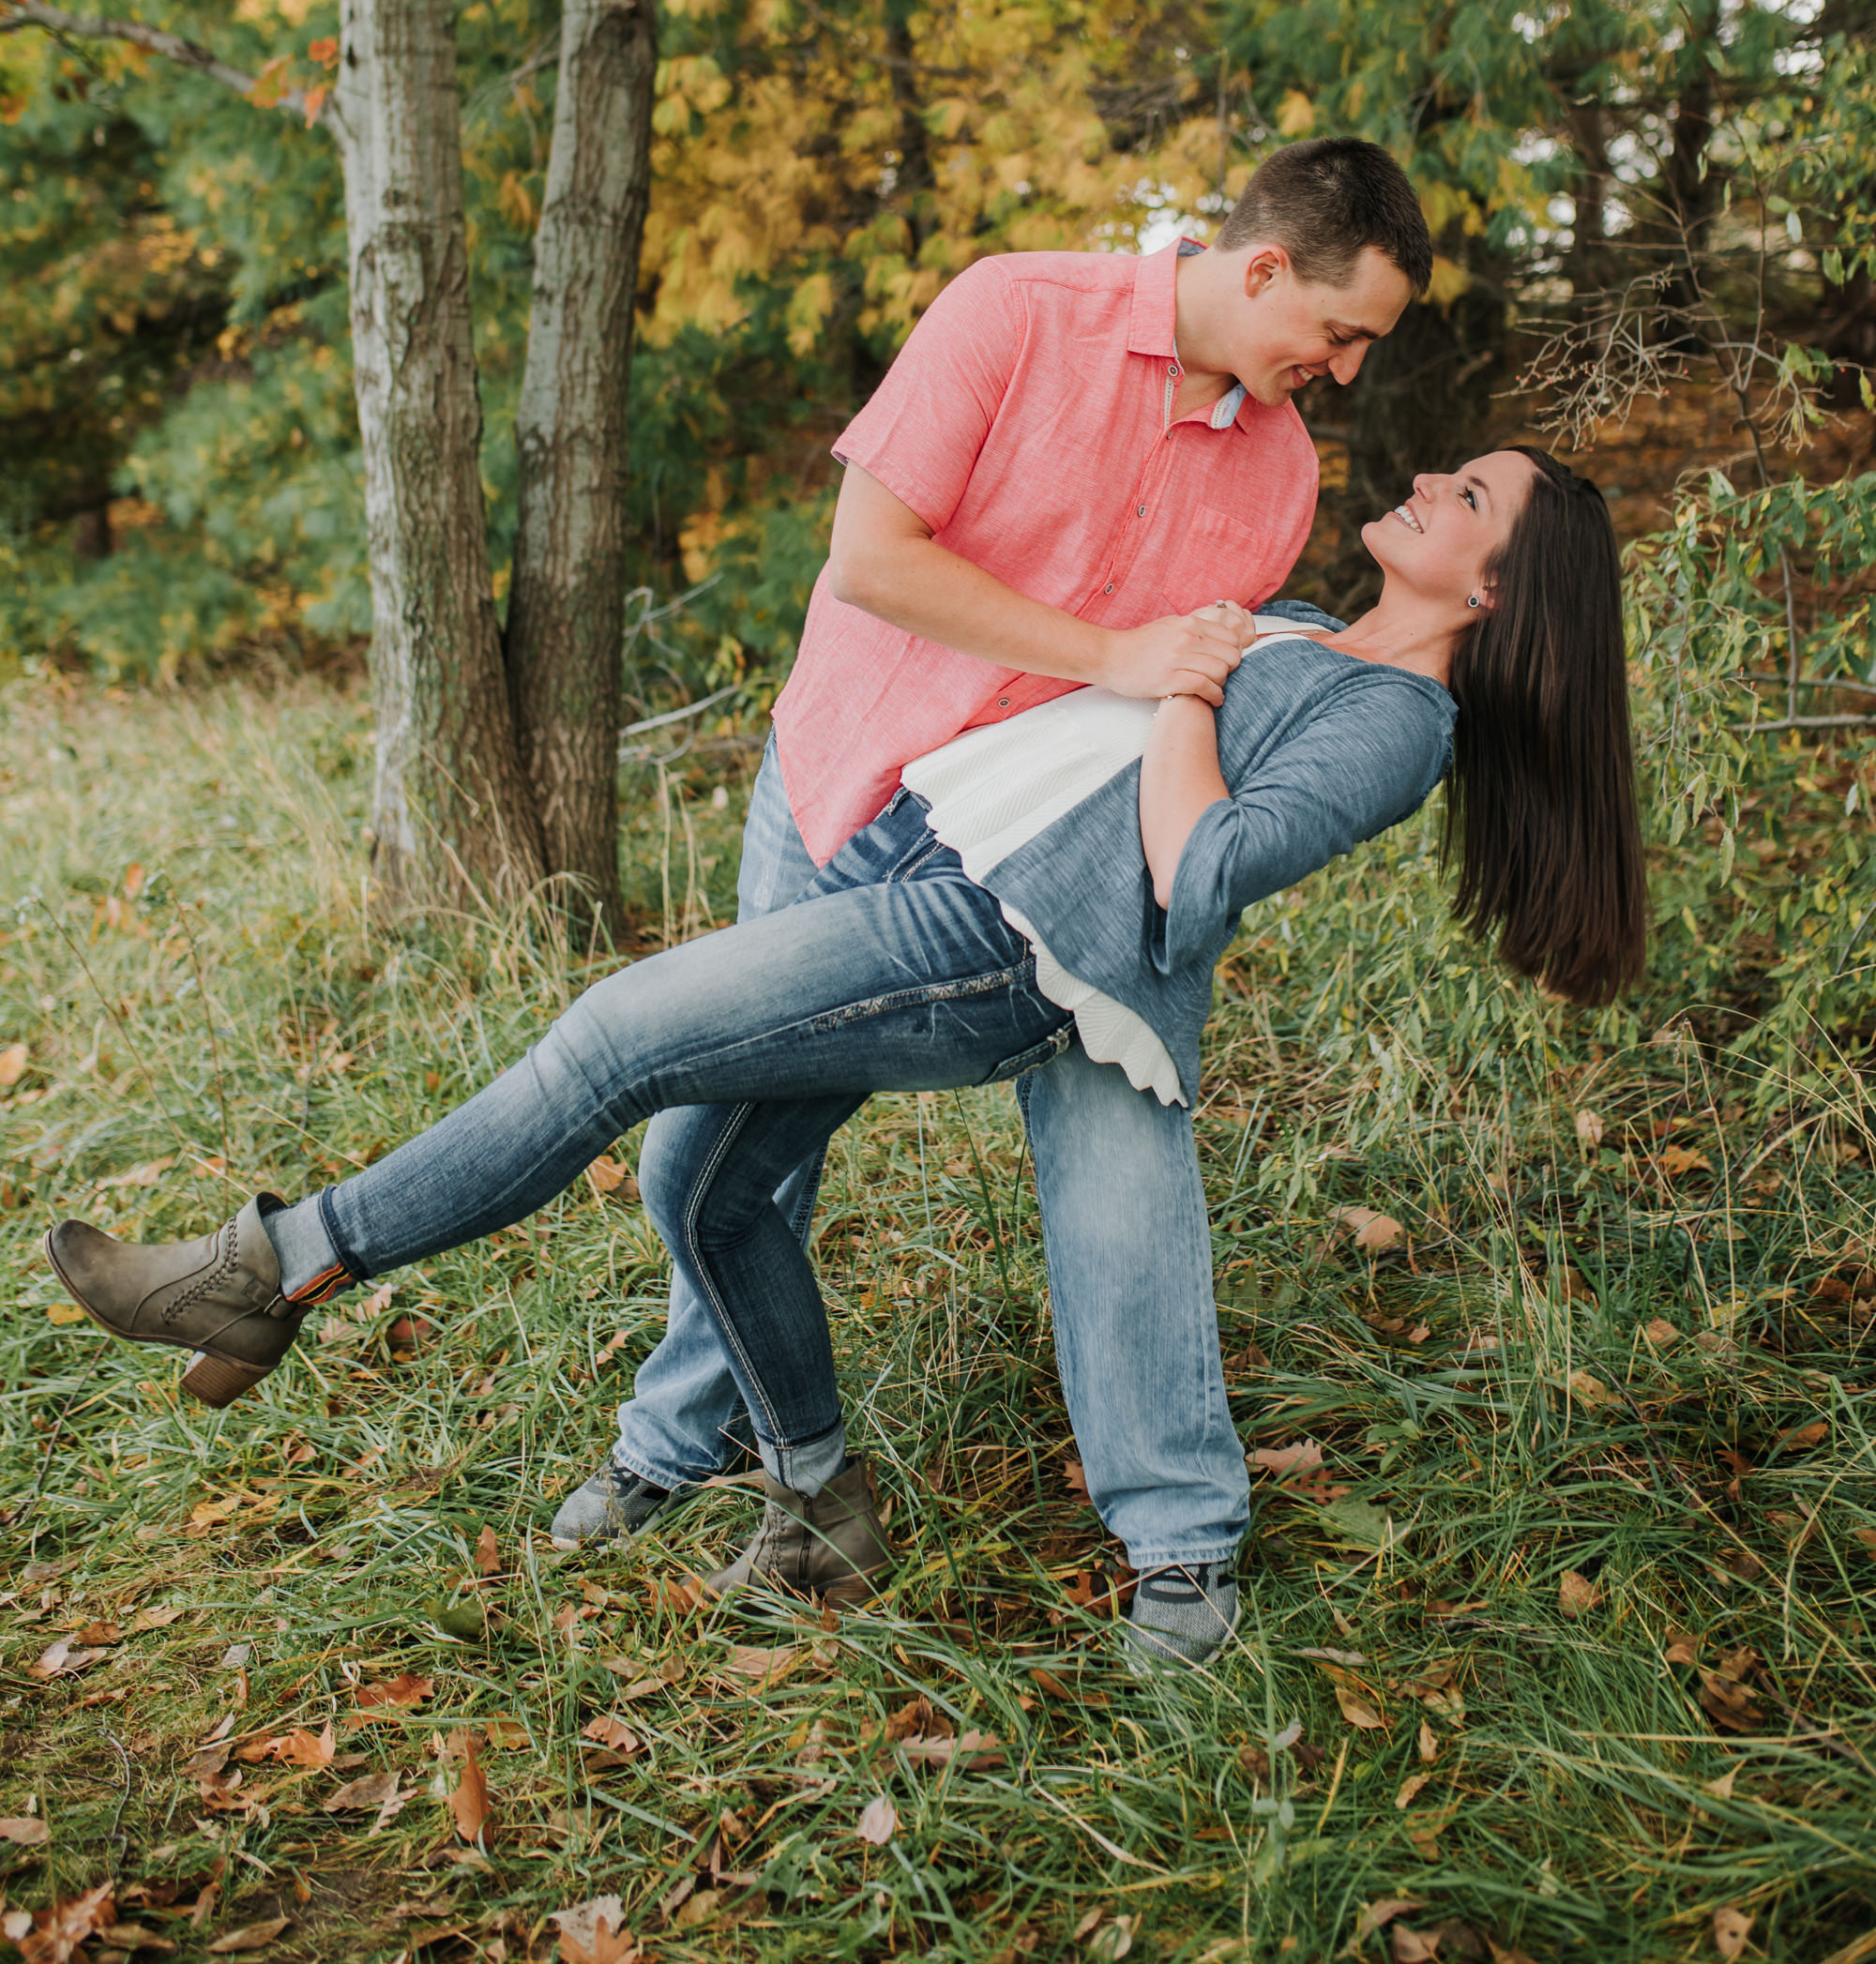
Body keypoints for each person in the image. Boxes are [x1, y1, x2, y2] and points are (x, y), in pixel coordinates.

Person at [44, 446, 1647, 1673]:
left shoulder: (1400, 717)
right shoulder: (1315, 623)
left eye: (1469, 494)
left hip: (992, 946)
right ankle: (821, 1499)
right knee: (712, 1187)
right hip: (933, 879)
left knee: (613, 1039)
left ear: (1499, 591)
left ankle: (279, 1262)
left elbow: (1206, 867)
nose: (1431, 482)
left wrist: (1190, 683)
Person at [559, 138, 1434, 1653]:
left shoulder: (1279, 473)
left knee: (1124, 1166)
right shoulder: (1016, 311)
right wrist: (1115, 658)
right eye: (1341, 330)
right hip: (853, 793)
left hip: (1050, 870)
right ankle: (684, 1435)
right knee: (736, 1155)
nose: (1345, 370)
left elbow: (1185, 713)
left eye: (1365, 348)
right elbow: (870, 563)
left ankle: (1180, 1538)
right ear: (1265, 267)